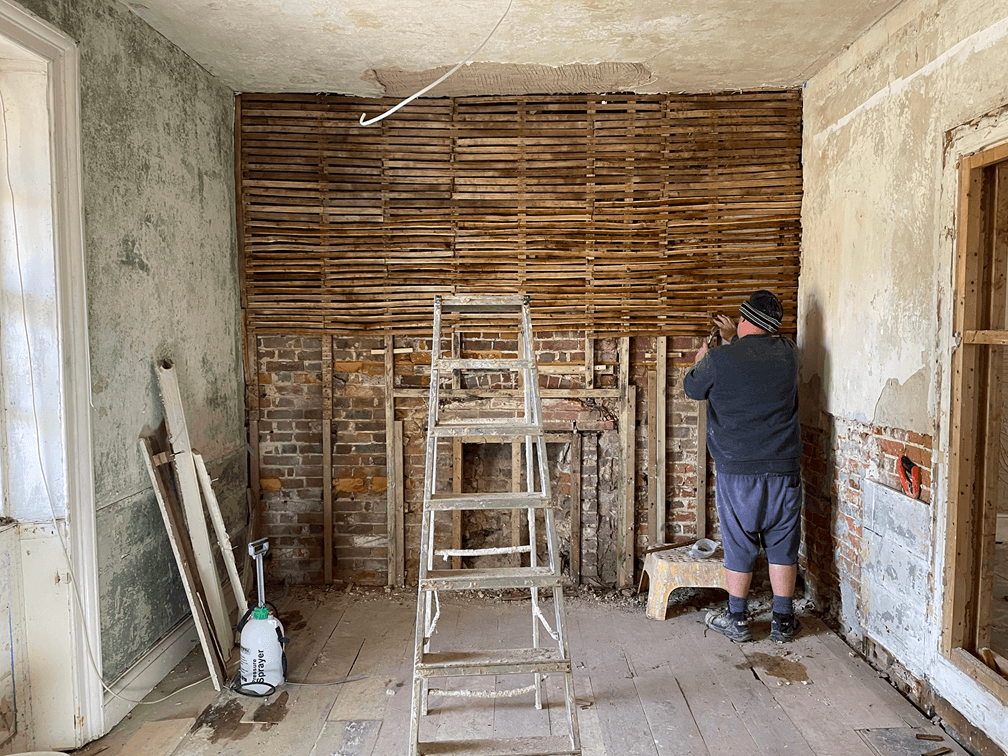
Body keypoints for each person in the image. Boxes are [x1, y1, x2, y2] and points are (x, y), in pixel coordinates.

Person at [683, 290, 802, 643]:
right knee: (783, 543)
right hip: (783, 468)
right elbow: (755, 358)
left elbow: (692, 388)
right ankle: (782, 622)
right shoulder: (789, 355)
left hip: (737, 471)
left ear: (744, 319)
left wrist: (703, 358)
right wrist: (734, 337)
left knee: (739, 543)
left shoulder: (719, 360)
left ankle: (737, 618)